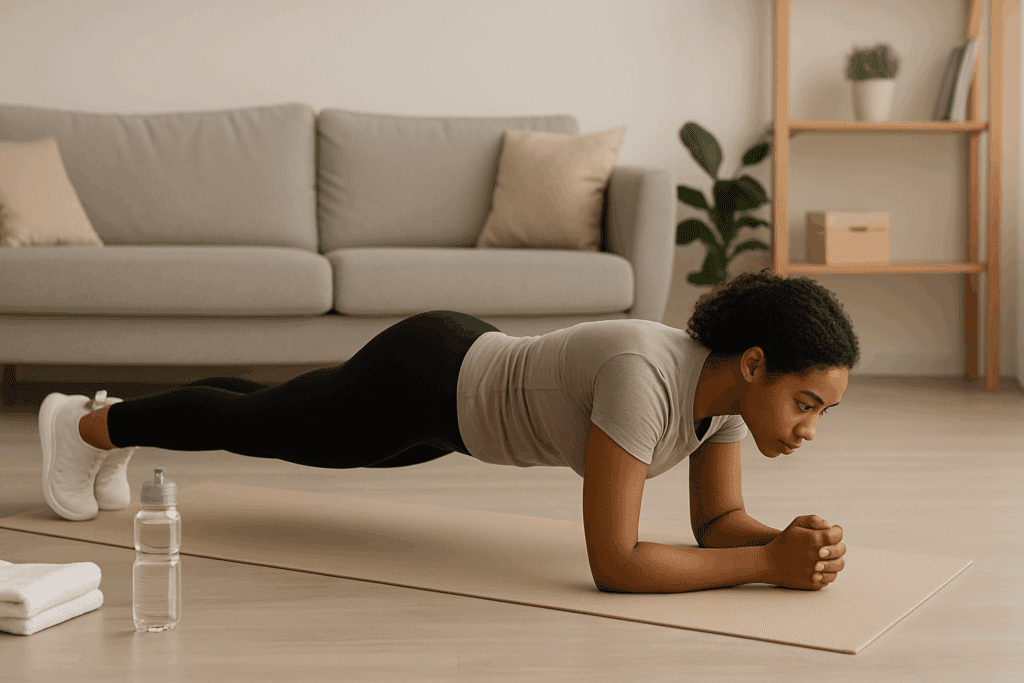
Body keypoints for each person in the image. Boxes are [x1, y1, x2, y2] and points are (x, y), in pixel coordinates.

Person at [39, 268, 857, 594]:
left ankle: (105, 418)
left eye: (820, 411)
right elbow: (616, 563)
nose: (808, 428)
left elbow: (714, 526)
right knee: (262, 424)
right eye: (807, 403)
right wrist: (766, 564)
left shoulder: (719, 400)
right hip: (424, 380)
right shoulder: (646, 375)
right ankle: (83, 427)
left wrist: (788, 540)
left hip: (453, 414)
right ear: (754, 363)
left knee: (271, 411)